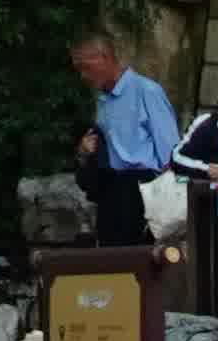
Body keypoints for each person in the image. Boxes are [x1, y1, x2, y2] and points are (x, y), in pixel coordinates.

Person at [68, 31, 181, 247]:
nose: (83, 75)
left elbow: (170, 151)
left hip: (142, 187)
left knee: (137, 261)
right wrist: (84, 151)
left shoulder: (146, 91)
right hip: (111, 187)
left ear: (104, 58)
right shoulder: (103, 100)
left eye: (85, 67)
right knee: (110, 258)